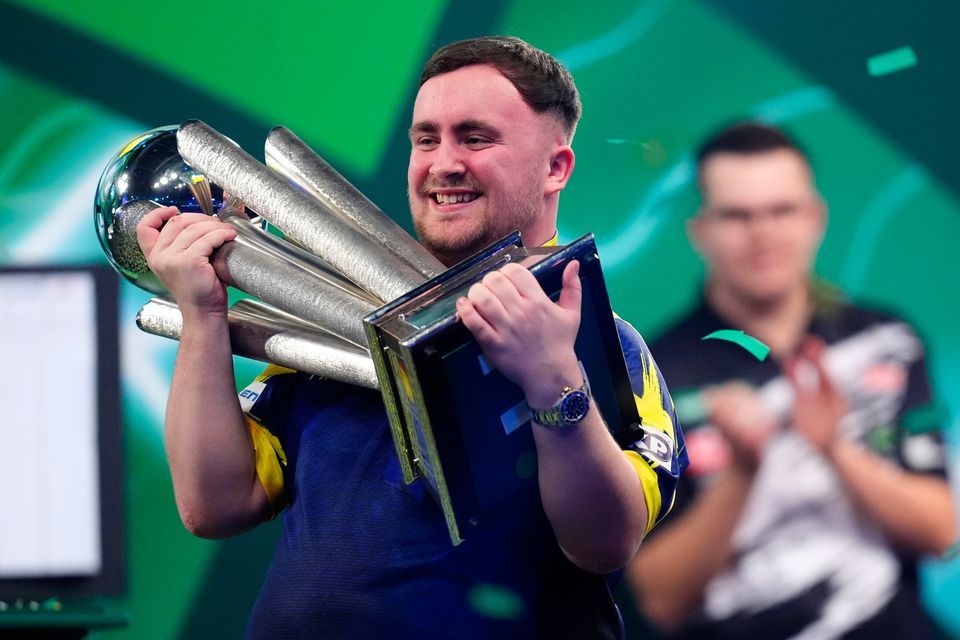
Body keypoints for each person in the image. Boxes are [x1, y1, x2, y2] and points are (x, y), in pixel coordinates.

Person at [136, 36, 686, 639]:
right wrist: (203, 317)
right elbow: (216, 504)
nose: (443, 163)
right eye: (427, 139)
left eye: (476, 138)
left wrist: (552, 381)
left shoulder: (607, 347)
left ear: (555, 167)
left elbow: (604, 542)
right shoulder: (336, 322)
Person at [623, 121, 956, 639]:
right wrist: (743, 475)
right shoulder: (651, 378)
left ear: (815, 218)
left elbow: (943, 532)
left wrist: (836, 449)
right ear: (700, 231)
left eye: (782, 210)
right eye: (738, 215)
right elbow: (658, 599)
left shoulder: (887, 337)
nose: (764, 233)